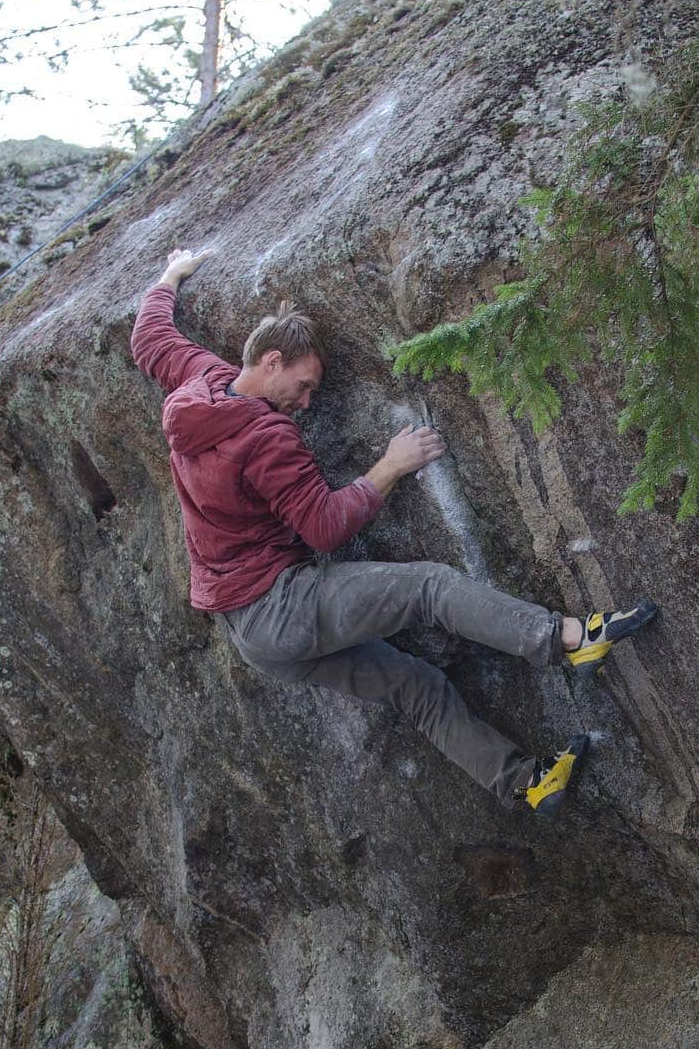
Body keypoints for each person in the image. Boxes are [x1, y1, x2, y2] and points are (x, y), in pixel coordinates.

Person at [131, 247, 658, 818]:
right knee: (428, 589)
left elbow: (150, 338)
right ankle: (571, 638)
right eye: (303, 386)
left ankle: (529, 784)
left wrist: (170, 275)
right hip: (281, 606)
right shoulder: (267, 438)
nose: (306, 402)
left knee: (413, 684)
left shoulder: (198, 387)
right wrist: (392, 464)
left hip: (253, 637)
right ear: (272, 361)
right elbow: (326, 526)